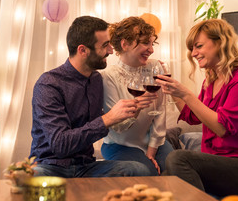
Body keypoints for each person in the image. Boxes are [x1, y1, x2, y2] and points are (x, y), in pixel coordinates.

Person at [155, 19, 238, 197]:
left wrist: (186, 94)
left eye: (198, 46)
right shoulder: (211, 79)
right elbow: (193, 117)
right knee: (165, 180)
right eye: (192, 48)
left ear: (220, 42)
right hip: (219, 163)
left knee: (178, 158)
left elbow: (222, 128)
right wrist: (173, 92)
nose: (193, 53)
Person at [30, 16, 152, 178]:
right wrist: (107, 119)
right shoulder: (49, 84)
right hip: (50, 166)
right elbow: (60, 144)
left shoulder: (96, 80)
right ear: (83, 50)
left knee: (138, 170)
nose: (110, 50)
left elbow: (101, 125)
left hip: (85, 166)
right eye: (105, 45)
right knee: (32, 177)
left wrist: (129, 112)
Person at [101, 16, 174, 176]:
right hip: (120, 145)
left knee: (176, 169)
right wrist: (137, 106)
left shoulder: (155, 67)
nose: (151, 49)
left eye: (152, 43)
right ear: (125, 44)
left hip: (154, 142)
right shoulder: (108, 76)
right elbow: (118, 127)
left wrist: (151, 151)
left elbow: (160, 111)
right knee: (148, 174)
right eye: (145, 43)